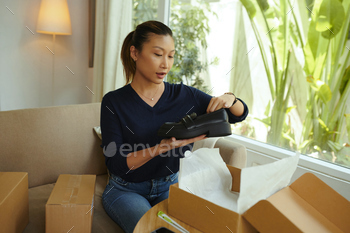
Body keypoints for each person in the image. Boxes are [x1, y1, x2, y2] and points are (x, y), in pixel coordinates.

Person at [100, 20, 248, 233]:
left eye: (170, 56)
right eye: (158, 54)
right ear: (134, 53)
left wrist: (230, 98)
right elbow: (116, 164)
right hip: (126, 190)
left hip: (170, 186)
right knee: (155, 230)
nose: (165, 65)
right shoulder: (114, 102)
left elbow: (237, 115)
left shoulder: (185, 96)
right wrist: (161, 148)